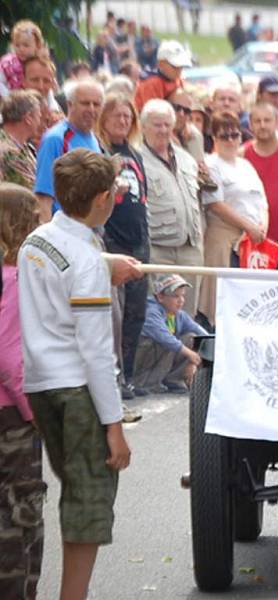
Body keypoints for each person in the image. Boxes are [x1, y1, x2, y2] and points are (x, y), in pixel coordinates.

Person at [17, 149, 137, 600]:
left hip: (41, 381)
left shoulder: (37, 239)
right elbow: (96, 351)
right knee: (87, 501)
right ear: (104, 198)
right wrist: (115, 426)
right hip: (76, 388)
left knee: (73, 491)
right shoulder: (86, 260)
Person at [0, 183, 46, 600]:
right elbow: (11, 358)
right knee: (20, 519)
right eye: (33, 218)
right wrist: (36, 414)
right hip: (12, 418)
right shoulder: (15, 281)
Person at [95, 94, 150, 399]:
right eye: (116, 115)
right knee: (115, 312)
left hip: (138, 238)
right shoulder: (100, 152)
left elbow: (143, 199)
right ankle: (114, 378)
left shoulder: (136, 154)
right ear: (104, 118)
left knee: (136, 313)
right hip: (112, 237)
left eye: (128, 116)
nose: (123, 121)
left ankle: (129, 374)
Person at [198, 111, 268, 326]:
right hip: (223, 239)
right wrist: (248, 226)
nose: (230, 140)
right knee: (219, 302)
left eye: (234, 135)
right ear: (214, 139)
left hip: (252, 243)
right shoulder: (210, 164)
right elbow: (215, 204)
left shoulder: (246, 165)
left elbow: (263, 201)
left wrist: (262, 227)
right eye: (224, 136)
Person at [140, 99, 204, 317]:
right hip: (159, 250)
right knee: (160, 316)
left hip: (191, 248)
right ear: (143, 127)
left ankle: (187, 351)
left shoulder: (187, 159)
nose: (163, 130)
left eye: (167, 125)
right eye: (157, 125)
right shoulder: (137, 159)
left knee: (187, 316)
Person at [34, 79, 104, 220]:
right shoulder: (55, 139)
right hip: (64, 229)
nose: (91, 109)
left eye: (96, 104)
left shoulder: (94, 139)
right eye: (85, 103)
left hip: (89, 230)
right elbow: (43, 196)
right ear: (70, 105)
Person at [132, 274, 208, 394]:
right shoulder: (151, 312)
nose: (181, 300)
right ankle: (144, 383)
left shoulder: (178, 314)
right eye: (175, 296)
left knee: (192, 338)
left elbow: (201, 333)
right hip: (140, 361)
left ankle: (172, 379)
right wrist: (191, 355)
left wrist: (194, 360)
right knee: (166, 343)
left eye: (182, 295)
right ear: (160, 297)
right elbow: (166, 339)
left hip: (158, 357)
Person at [243, 102, 278, 268]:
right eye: (257, 121)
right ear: (250, 125)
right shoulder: (242, 154)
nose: (263, 125)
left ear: (277, 122)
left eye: (267, 120)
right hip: (256, 242)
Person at [0, 89, 42, 189]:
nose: (40, 123)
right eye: (39, 117)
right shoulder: (10, 152)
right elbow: (33, 189)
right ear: (28, 118)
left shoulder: (22, 146)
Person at [134, 40, 191, 112]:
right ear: (161, 64)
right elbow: (153, 113)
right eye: (175, 66)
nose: (179, 70)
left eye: (181, 66)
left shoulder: (176, 78)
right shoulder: (151, 83)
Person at [0, 20, 44, 97]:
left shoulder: (40, 64)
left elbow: (48, 87)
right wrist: (8, 96)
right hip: (11, 102)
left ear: (38, 46)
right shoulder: (8, 63)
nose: (21, 49)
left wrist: (52, 105)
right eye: (17, 45)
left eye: (26, 45)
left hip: (34, 102)